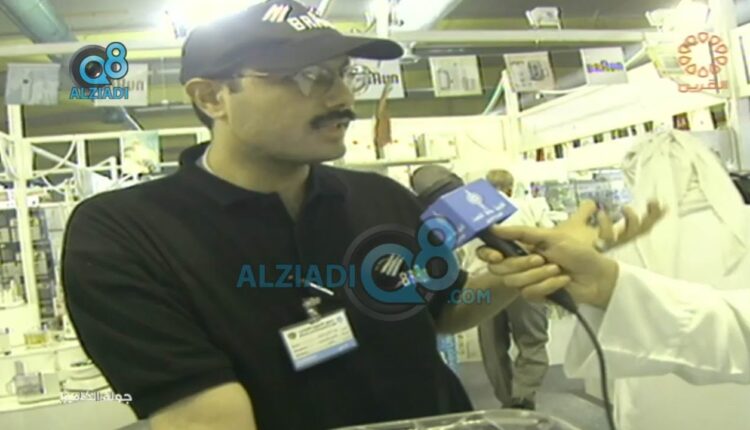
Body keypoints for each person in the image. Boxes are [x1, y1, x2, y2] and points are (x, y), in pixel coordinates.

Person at [61, 3, 573, 429]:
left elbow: (442, 311)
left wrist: (508, 278)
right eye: (308, 77)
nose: (343, 97)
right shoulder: (124, 234)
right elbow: (207, 417)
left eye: (345, 74)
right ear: (212, 97)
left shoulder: (384, 199)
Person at [478, 130, 750, 430]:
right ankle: (522, 397)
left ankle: (512, 399)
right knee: (531, 342)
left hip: (653, 384)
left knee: (500, 346)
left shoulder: (629, 232)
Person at [463, 169, 554, 410]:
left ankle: (506, 400)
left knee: (492, 346)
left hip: (482, 284)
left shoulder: (470, 214)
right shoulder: (529, 206)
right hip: (525, 279)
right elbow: (549, 239)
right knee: (532, 341)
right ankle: (523, 397)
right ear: (511, 189)